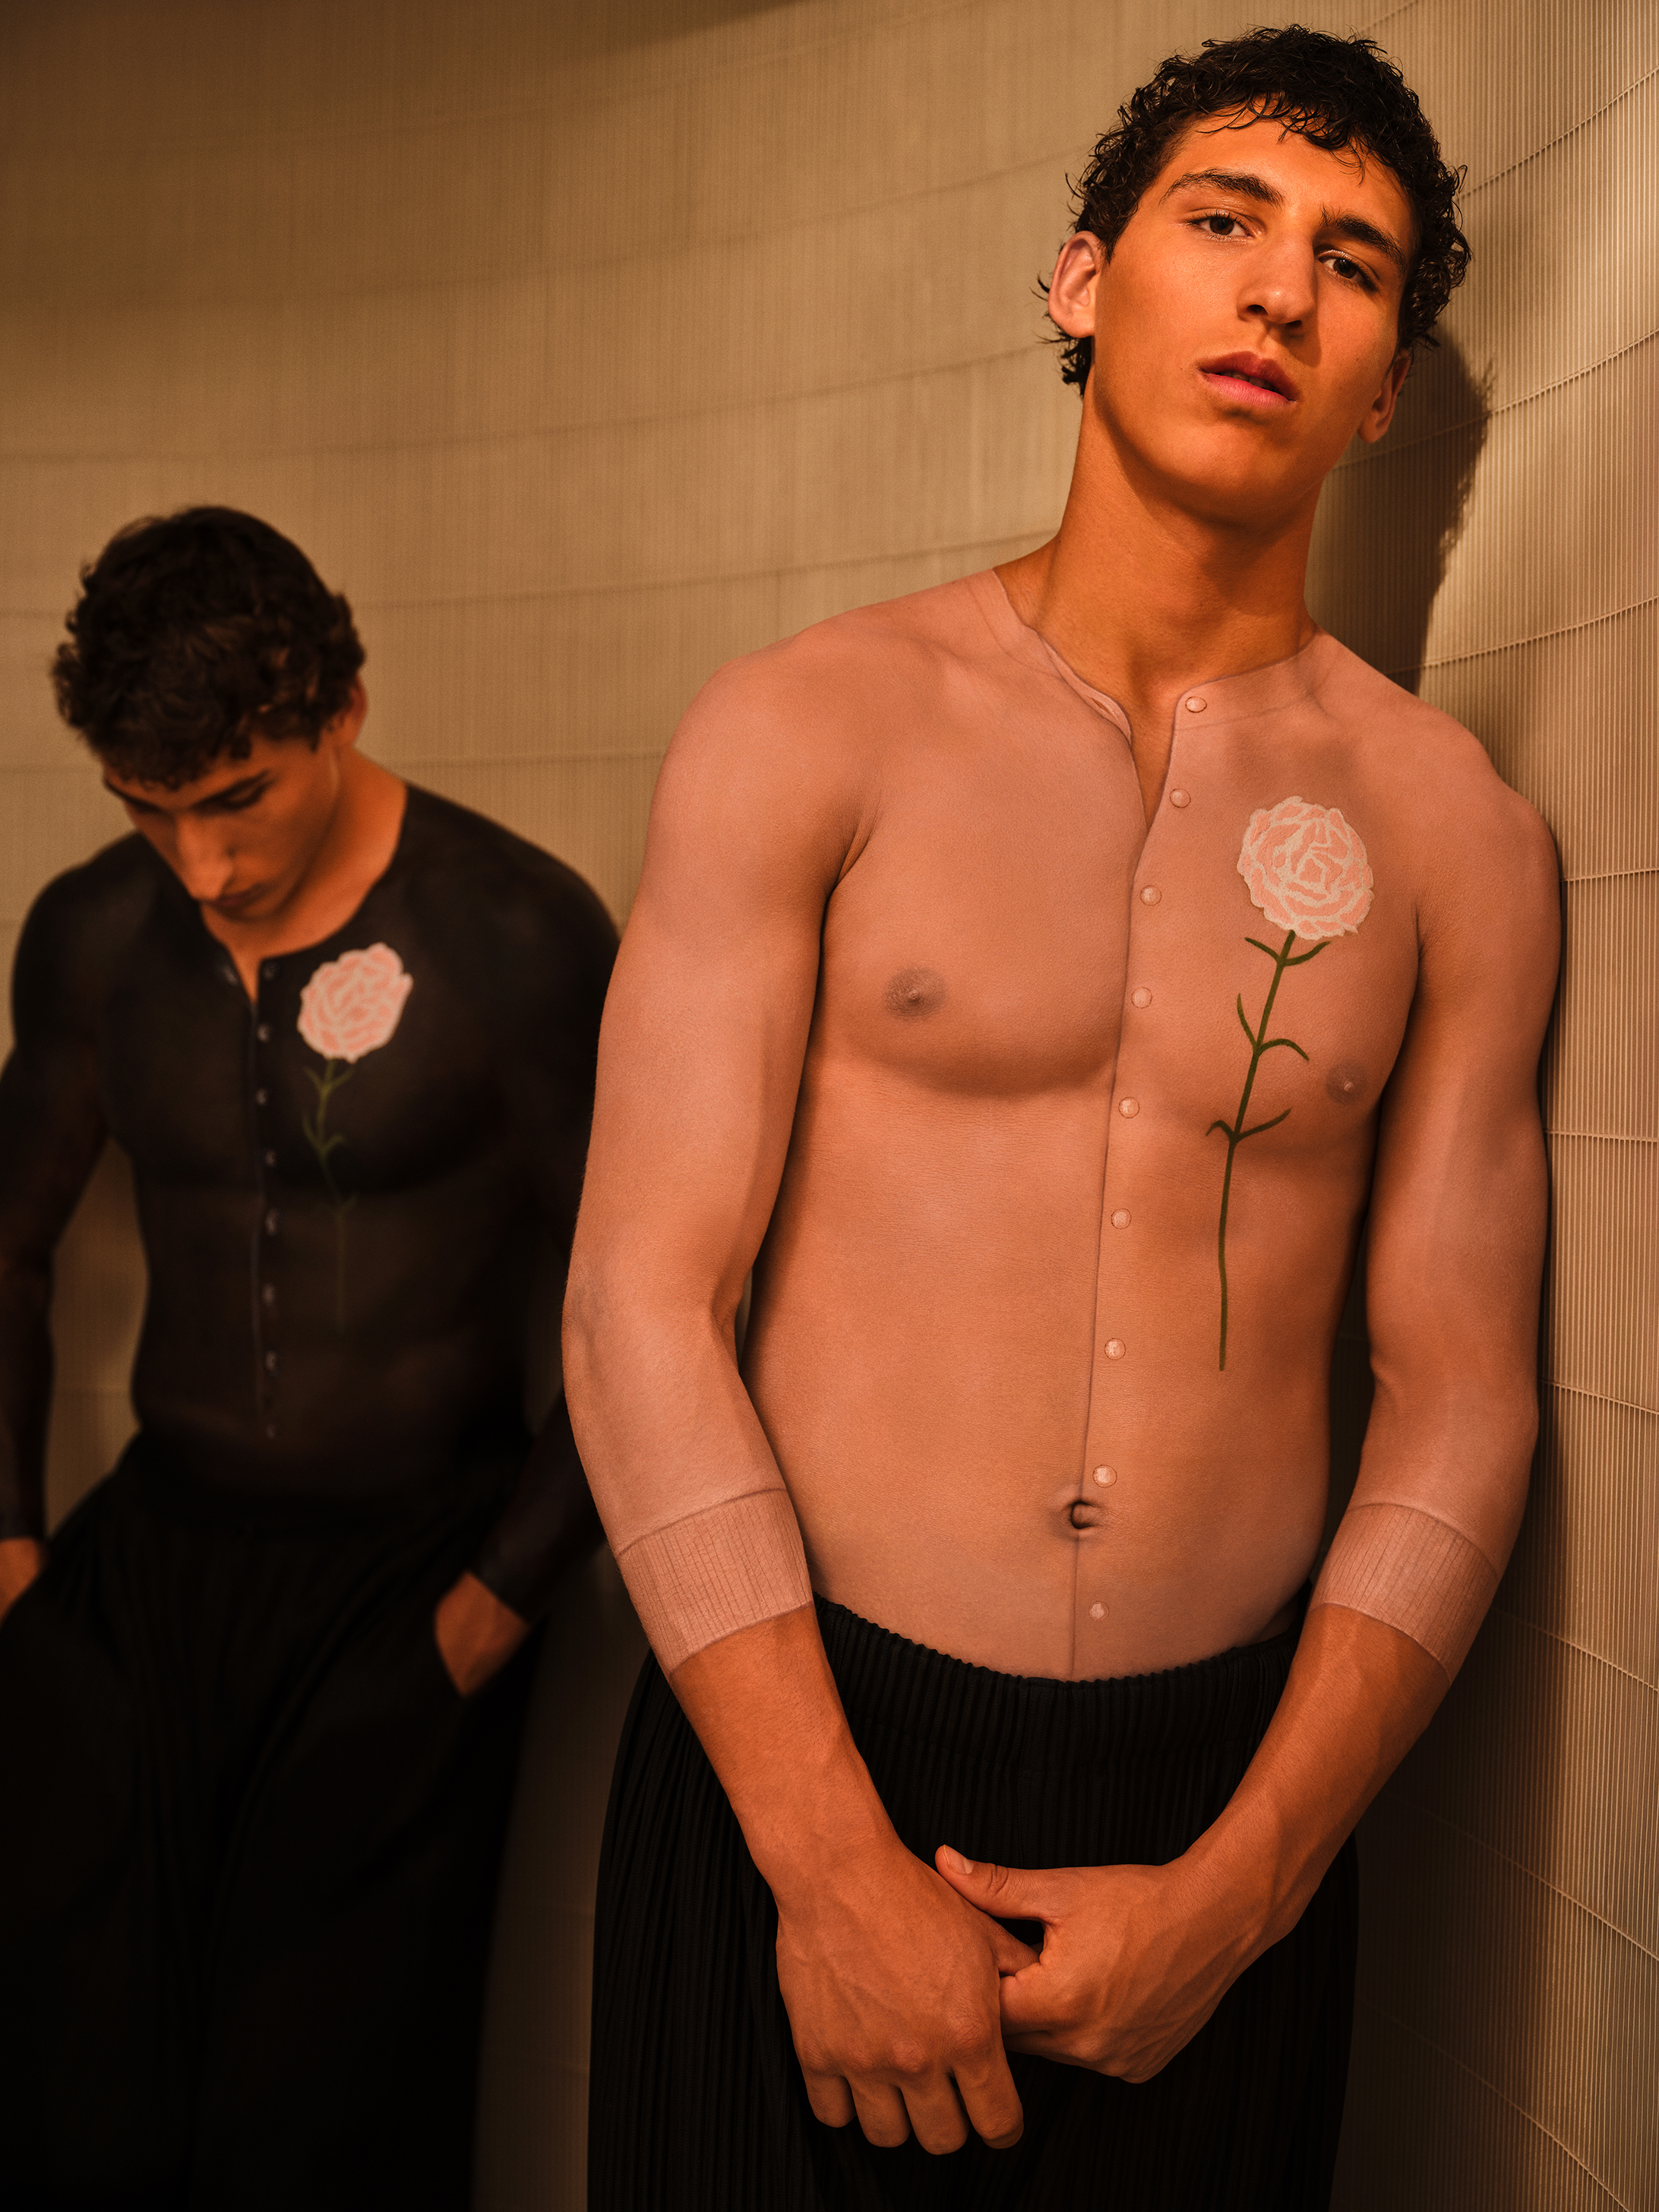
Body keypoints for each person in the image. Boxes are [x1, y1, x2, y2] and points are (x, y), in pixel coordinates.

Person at [567, 25, 1559, 2212]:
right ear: (1080, 282)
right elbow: (641, 1299)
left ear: (1386, 389)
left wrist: (1253, 1878)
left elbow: (1463, 1393)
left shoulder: (1457, 835)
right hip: (801, 1742)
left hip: (1231, 1792)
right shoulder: (808, 725)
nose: (1284, 291)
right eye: (1225, 223)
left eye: (1356, 265)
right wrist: (825, 1866)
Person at [0, 507, 618, 2210]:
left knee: (329, 2125)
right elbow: (5, 1242)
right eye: (147, 808)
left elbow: (643, 1319)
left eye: (235, 795)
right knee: (80, 2103)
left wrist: (483, 1622)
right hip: (155, 1567)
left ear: (339, 707)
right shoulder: (93, 937)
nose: (199, 865)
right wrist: (14, 1571)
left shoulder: (517, 937)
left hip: (415, 1576)